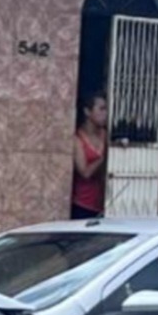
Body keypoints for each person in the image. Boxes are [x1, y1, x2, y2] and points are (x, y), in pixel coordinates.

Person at [71, 90, 109, 220]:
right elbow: (85, 173)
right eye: (101, 109)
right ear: (87, 112)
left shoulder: (106, 135)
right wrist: (104, 158)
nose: (105, 114)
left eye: (106, 109)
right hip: (83, 204)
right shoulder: (78, 139)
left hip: (104, 204)